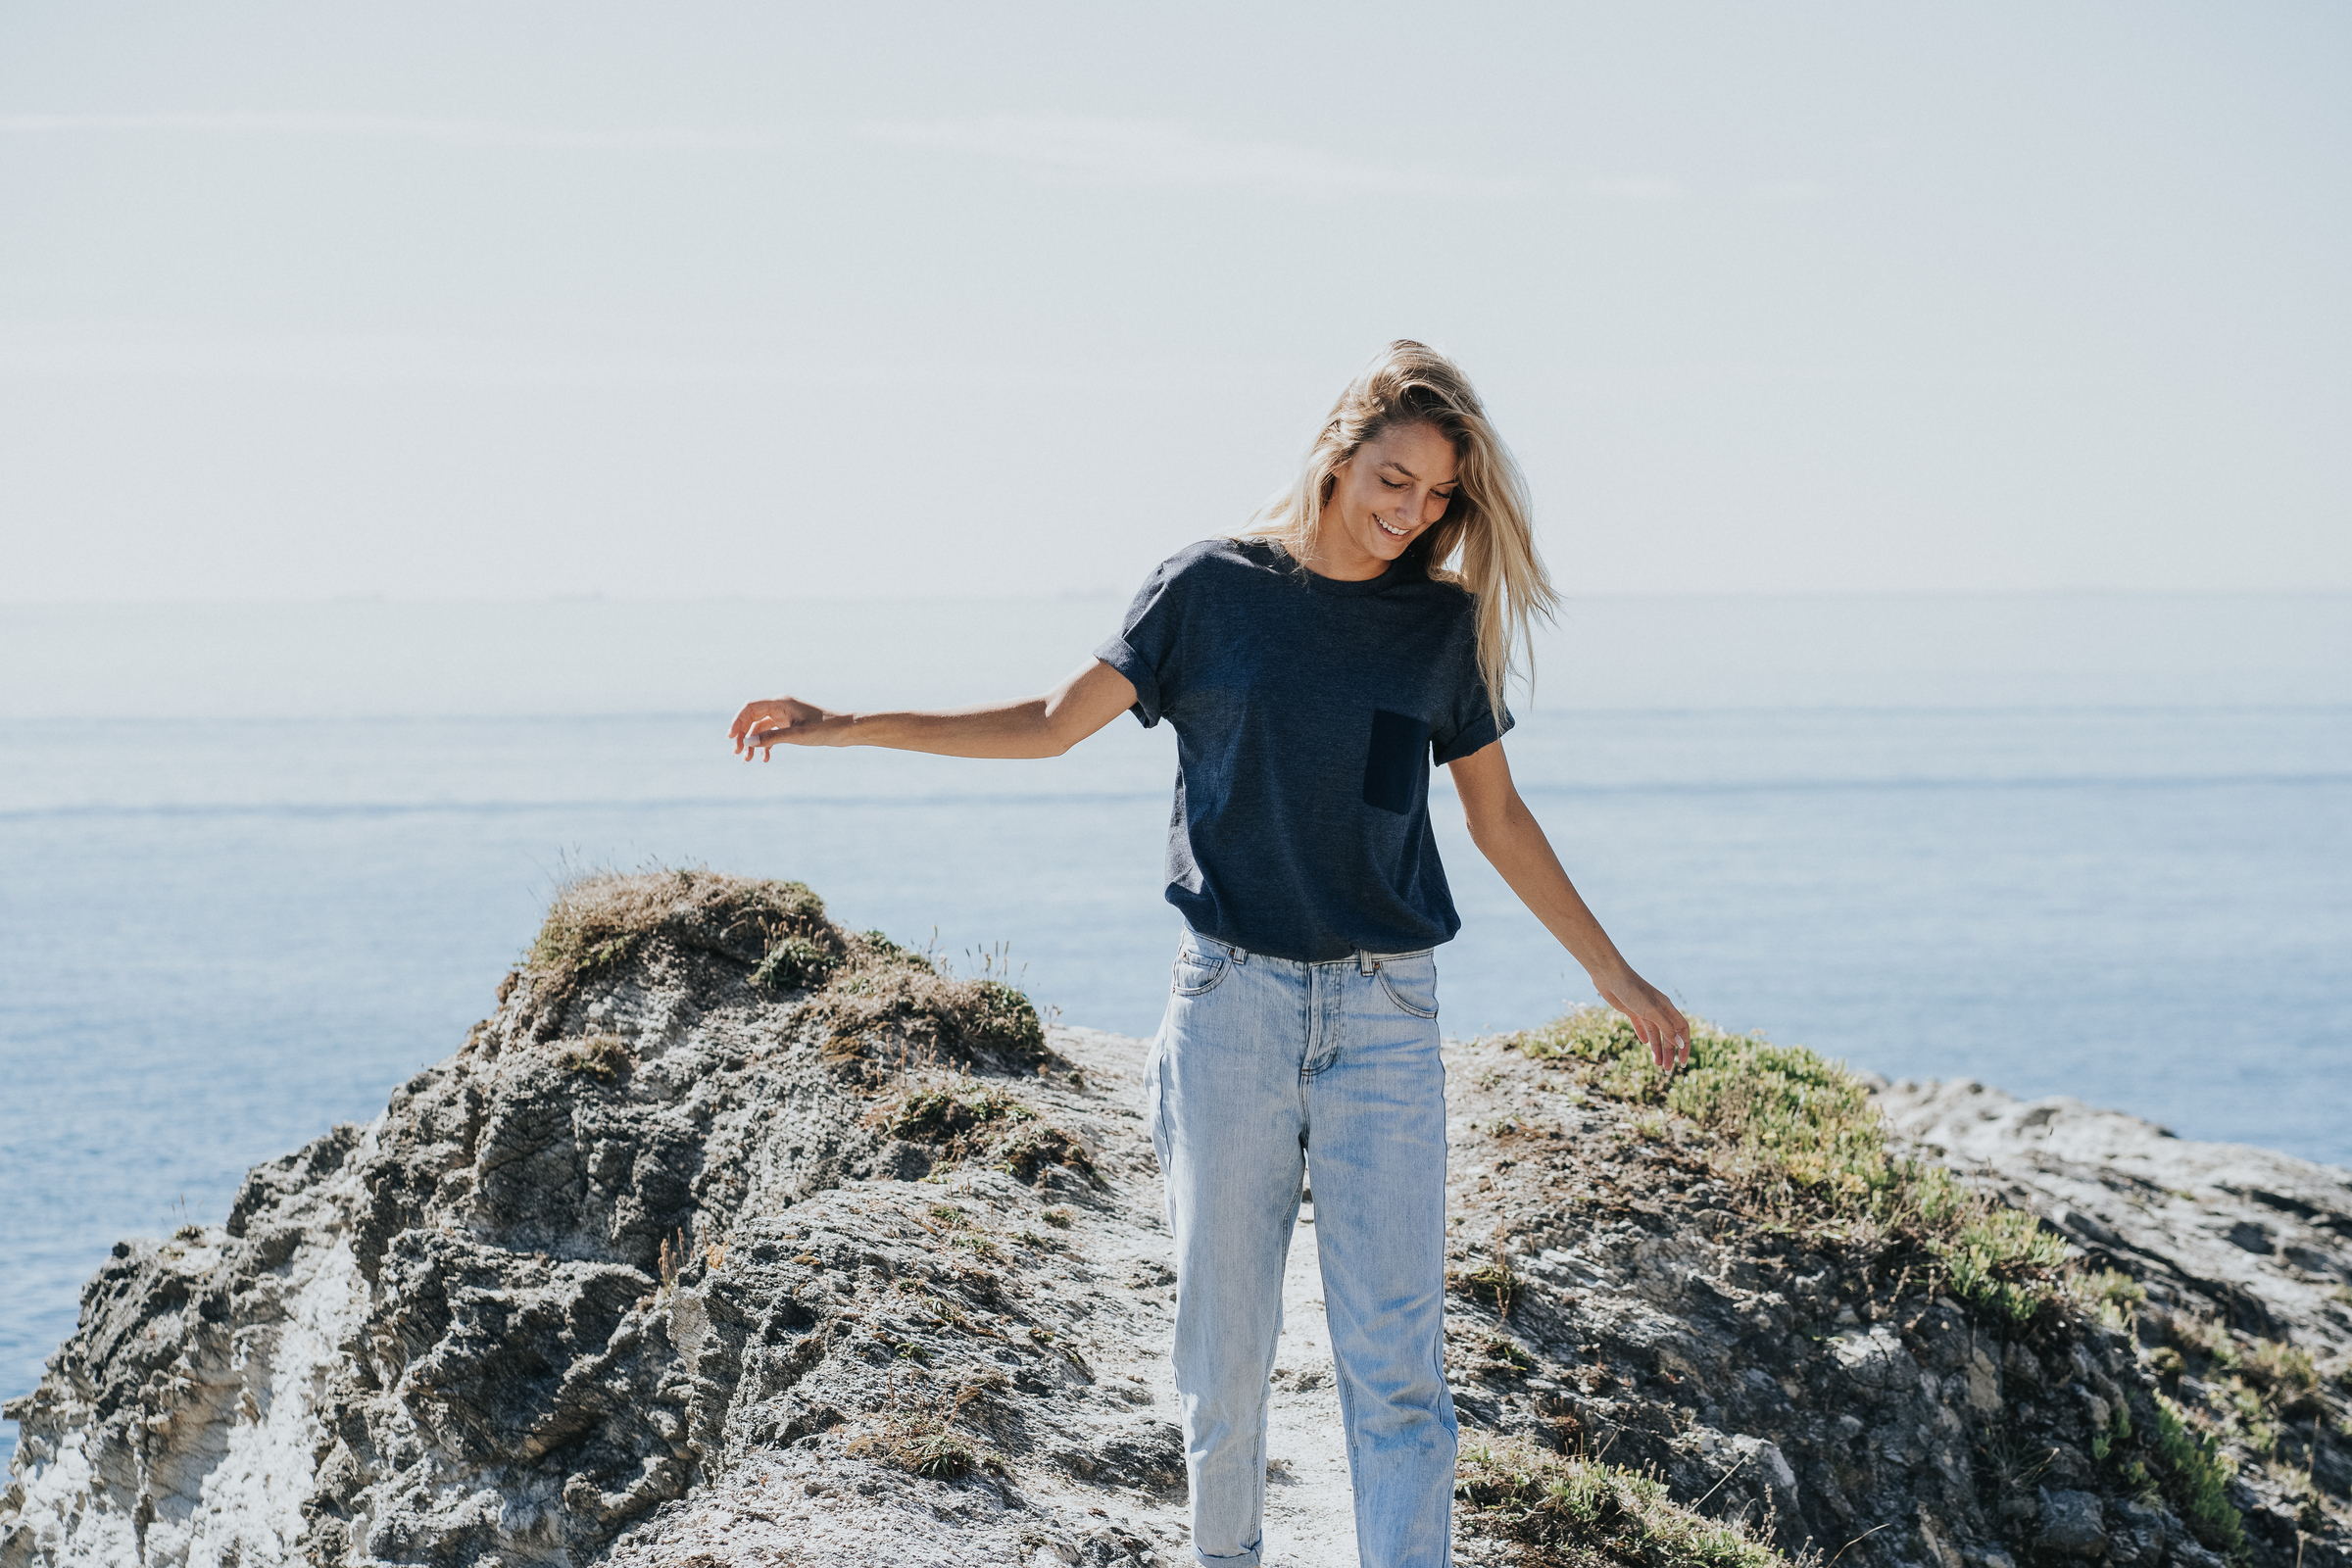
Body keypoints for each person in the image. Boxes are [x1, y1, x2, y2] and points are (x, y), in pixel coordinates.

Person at [727, 340, 1692, 1568]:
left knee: (1399, 1373)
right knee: (1222, 1364)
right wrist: (844, 723)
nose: (1412, 511)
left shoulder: (1438, 626)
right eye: (1394, 478)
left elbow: (1496, 816)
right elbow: (1048, 724)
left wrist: (1615, 975)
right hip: (1231, 1007)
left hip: (1386, 1018)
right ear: (1338, 455)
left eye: (1438, 494)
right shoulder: (1208, 590)